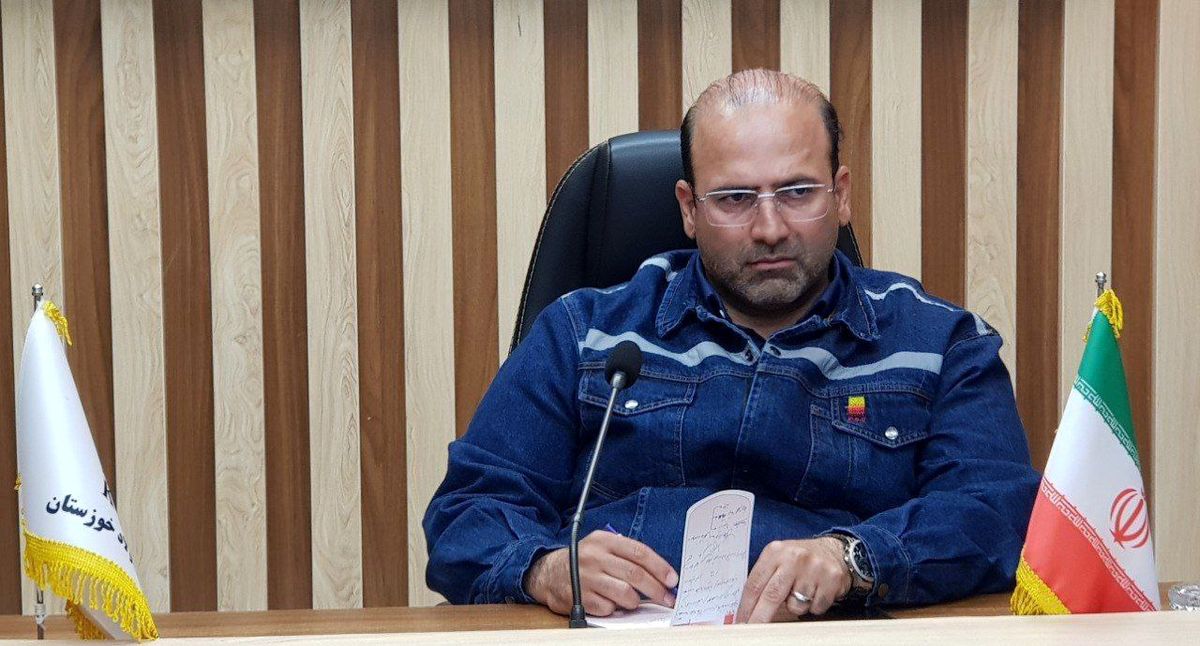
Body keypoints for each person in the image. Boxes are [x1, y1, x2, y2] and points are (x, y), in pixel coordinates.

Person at [423, 69, 1039, 622]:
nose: (769, 228)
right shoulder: (584, 335)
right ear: (689, 209)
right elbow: (467, 513)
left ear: (841, 195)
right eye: (735, 199)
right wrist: (545, 568)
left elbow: (996, 512)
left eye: (797, 192)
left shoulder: (941, 344)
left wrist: (853, 558)